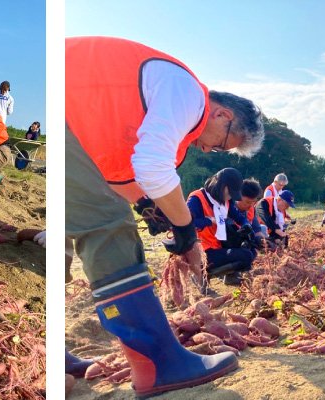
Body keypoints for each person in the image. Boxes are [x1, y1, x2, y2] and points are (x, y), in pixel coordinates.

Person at [65, 37, 264, 396]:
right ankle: (158, 365)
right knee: (108, 229)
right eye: (221, 144)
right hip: (68, 109)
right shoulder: (187, 94)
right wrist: (186, 229)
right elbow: (153, 168)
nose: (209, 149)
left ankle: (56, 355)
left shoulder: (165, 97)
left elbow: (124, 174)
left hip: (71, 108)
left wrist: (146, 205)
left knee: (69, 233)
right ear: (223, 114)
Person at [188, 168, 257, 285]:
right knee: (245, 256)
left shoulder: (225, 201)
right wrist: (209, 220)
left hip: (218, 246)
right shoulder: (197, 199)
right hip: (202, 251)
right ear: (222, 186)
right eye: (230, 193)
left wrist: (246, 225)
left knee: (251, 251)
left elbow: (239, 217)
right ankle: (200, 274)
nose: (231, 197)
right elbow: (187, 224)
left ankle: (230, 277)